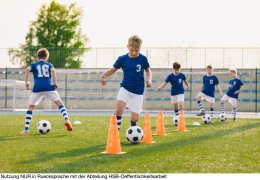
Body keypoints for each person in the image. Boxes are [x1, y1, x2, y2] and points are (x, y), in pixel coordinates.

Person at [100, 35, 152, 129]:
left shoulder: (143, 59)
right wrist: (104, 75)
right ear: (127, 46)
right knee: (118, 111)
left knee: (135, 119)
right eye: (132, 50)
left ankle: (134, 132)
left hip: (138, 91)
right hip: (125, 88)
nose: (134, 52)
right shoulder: (122, 59)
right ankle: (115, 133)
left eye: (137, 51)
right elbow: (112, 70)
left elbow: (148, 71)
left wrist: (149, 80)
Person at [21, 48, 73, 136]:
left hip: (37, 88)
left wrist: (26, 82)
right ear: (47, 58)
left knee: (30, 107)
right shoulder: (49, 65)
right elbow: (53, 71)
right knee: (60, 104)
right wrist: (55, 82)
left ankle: (26, 129)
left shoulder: (34, 65)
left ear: (37, 57)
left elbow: (27, 69)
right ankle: (67, 120)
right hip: (49, 87)